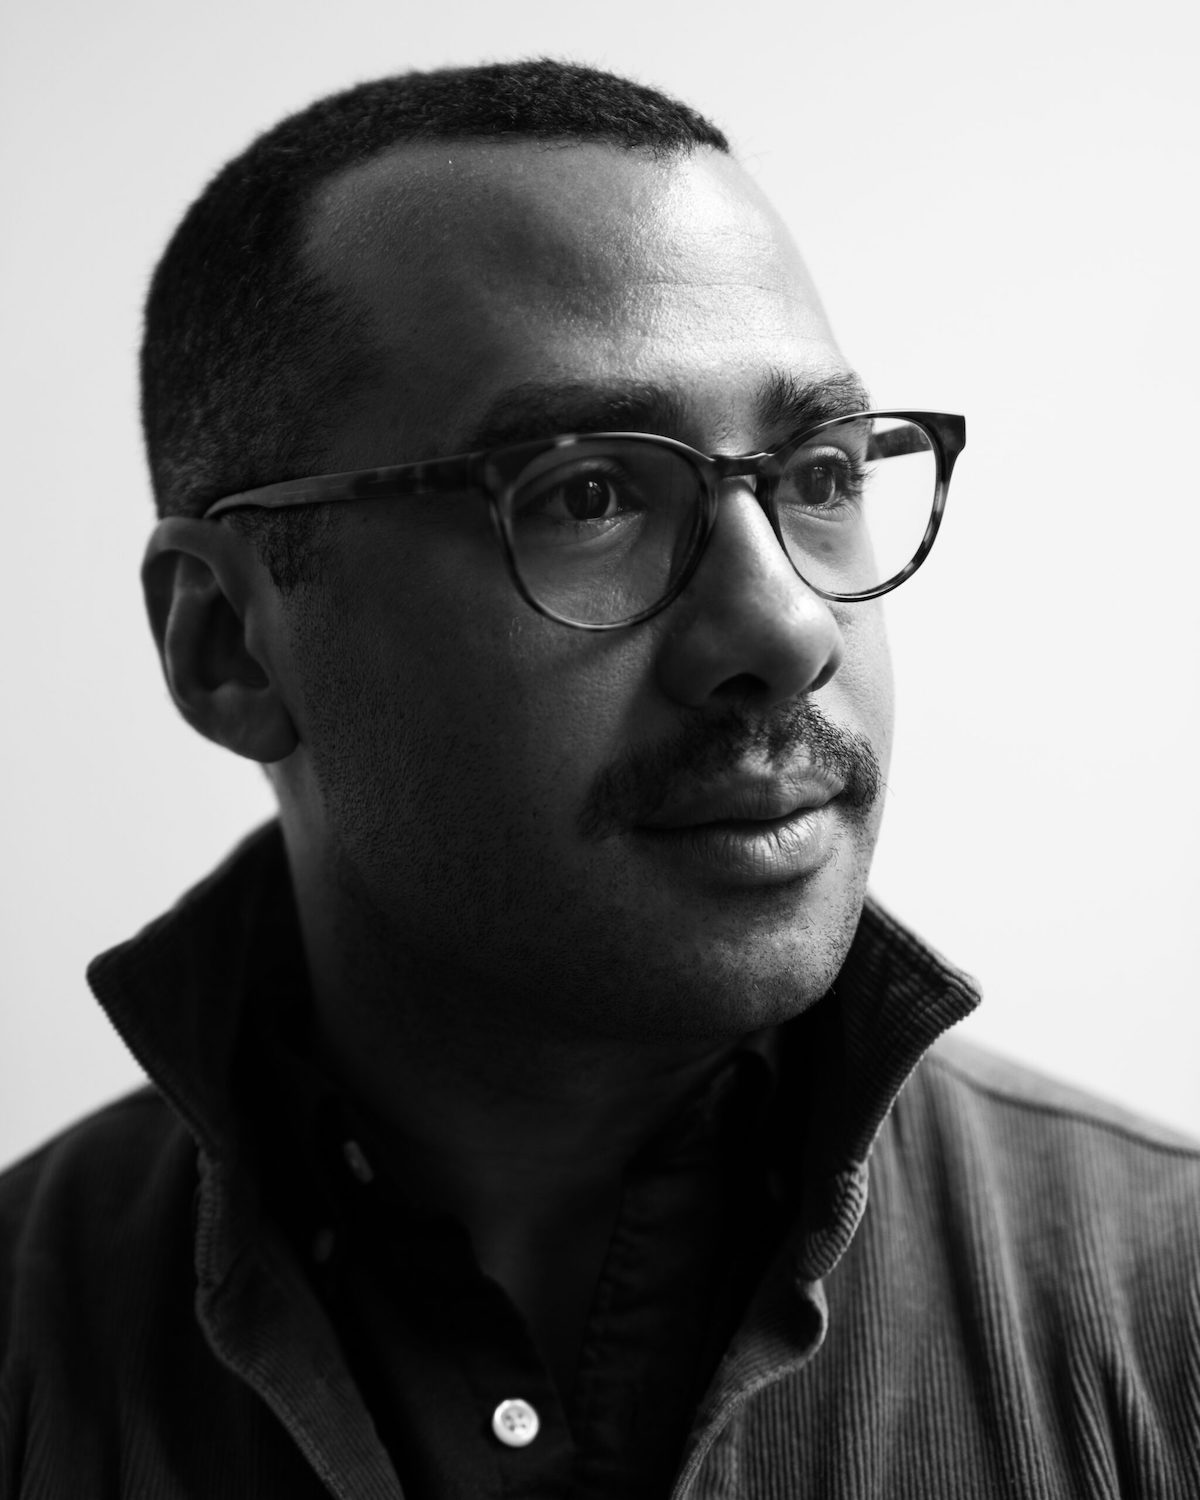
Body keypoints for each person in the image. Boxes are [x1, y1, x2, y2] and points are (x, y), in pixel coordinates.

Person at [2, 58, 1197, 1500]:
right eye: (589, 495)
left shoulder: (1165, 1310)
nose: (786, 627)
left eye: (821, 472)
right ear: (227, 647)